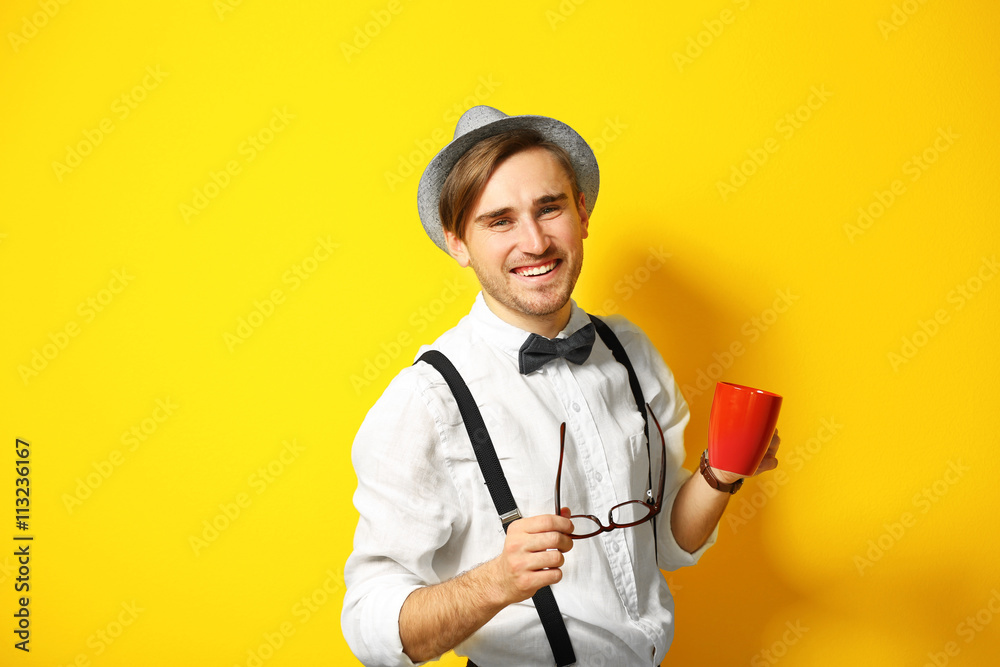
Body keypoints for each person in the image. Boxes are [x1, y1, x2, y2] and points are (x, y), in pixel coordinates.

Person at [341, 105, 780, 666]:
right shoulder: (426, 400)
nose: (535, 241)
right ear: (457, 243)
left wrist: (723, 471)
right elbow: (370, 628)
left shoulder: (630, 352)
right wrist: (496, 581)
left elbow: (668, 543)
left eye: (549, 209)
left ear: (583, 213)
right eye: (499, 221)